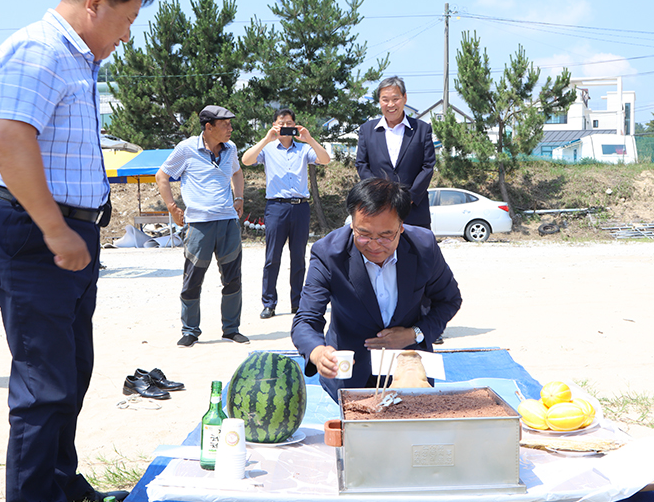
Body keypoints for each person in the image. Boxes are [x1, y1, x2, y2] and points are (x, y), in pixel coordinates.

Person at [0, 0, 153, 502]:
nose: (125, 37)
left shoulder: (77, 59)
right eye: (125, 20)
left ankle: (59, 483)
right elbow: (9, 137)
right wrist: (54, 230)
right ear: (95, 2)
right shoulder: (40, 49)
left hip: (65, 231)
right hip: (32, 230)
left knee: (72, 368)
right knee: (45, 379)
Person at [291, 178, 462, 398]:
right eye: (363, 235)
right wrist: (318, 352)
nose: (373, 245)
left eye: (385, 236)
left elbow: (449, 300)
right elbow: (305, 319)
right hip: (350, 373)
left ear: (401, 227)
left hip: (408, 369)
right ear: (352, 223)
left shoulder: (424, 246)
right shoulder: (328, 254)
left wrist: (414, 333)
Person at [154, 105, 249, 347]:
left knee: (233, 278)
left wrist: (239, 198)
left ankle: (231, 329)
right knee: (193, 277)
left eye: (230, 123)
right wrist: (172, 207)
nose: (230, 128)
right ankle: (190, 331)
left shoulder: (231, 149)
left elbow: (237, 173)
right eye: (225, 124)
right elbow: (161, 176)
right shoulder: (186, 149)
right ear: (208, 127)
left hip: (228, 222)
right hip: (199, 225)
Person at [240, 108, 330, 319]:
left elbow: (325, 159)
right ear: (274, 125)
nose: (285, 127)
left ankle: (297, 303)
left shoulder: (303, 149)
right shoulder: (268, 149)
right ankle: (269, 303)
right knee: (272, 257)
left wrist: (309, 139)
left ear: (295, 125)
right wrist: (265, 139)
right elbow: (246, 160)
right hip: (276, 207)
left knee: (298, 257)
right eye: (281, 124)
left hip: (300, 207)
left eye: (289, 123)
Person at [355, 76, 436, 229]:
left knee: (417, 252)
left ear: (404, 98)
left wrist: (409, 198)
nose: (390, 105)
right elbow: (361, 164)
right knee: (381, 251)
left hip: (414, 211)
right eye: (385, 99)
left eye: (395, 99)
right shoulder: (367, 130)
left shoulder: (422, 129)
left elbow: (428, 166)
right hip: (378, 209)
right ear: (379, 101)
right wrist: (379, 195)